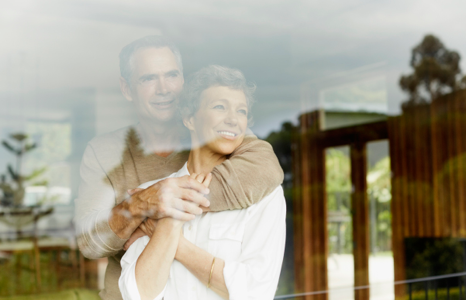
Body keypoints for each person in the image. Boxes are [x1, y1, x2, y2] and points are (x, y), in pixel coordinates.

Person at [74, 36, 284, 300]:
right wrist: (140, 205)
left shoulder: (220, 131)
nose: (164, 88)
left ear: (183, 82)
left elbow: (267, 171)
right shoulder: (104, 152)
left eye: (171, 75)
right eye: (148, 79)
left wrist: (167, 209)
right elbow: (89, 242)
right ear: (127, 89)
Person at [119, 65, 286, 300]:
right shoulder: (153, 194)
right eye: (219, 107)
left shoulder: (265, 196)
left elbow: (255, 291)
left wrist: (172, 240)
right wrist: (169, 218)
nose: (233, 119)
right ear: (189, 119)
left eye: (241, 111)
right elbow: (137, 294)